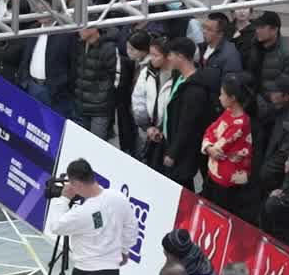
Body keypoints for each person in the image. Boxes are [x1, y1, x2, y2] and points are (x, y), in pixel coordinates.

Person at [43, 157, 137, 275]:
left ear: (78, 184)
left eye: (72, 184)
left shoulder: (83, 212)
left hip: (87, 274)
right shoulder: (118, 197)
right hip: (111, 272)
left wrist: (64, 198)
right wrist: (124, 250)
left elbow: (56, 226)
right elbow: (131, 228)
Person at [201, 72, 257, 221]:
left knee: (220, 216)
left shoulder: (241, 123)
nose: (219, 97)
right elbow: (210, 130)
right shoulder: (228, 112)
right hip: (215, 172)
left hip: (227, 180)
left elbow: (220, 146)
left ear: (232, 98)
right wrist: (209, 147)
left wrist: (210, 146)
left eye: (222, 94)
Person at [159, 37, 212, 189]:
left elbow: (187, 125)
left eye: (171, 55)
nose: (168, 58)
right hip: (171, 141)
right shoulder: (179, 78)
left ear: (181, 57)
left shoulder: (195, 90)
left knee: (181, 187)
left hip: (184, 151)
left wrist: (173, 153)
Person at [129, 32, 179, 167]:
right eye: (151, 54)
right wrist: (147, 127)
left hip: (171, 136)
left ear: (168, 56)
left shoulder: (178, 77)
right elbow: (138, 100)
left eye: (156, 55)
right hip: (148, 132)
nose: (151, 59)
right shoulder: (146, 72)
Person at [23, 22, 81, 123]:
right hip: (32, 86)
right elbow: (26, 56)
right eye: (37, 6)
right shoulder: (33, 28)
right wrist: (25, 81)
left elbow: (73, 63)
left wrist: (64, 87)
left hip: (55, 92)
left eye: (43, 6)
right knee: (33, 125)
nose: (39, 9)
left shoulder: (65, 31)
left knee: (54, 129)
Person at [74, 25, 120, 139]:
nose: (79, 31)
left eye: (82, 28)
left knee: (96, 147)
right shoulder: (80, 44)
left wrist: (105, 97)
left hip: (100, 109)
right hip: (81, 105)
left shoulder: (108, 48)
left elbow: (116, 78)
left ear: (94, 29)